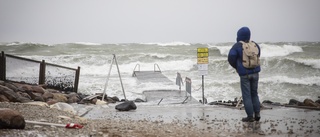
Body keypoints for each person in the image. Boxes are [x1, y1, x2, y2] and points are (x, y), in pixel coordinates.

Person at [228, 27, 261, 122]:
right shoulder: (255, 45)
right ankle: (257, 114)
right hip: (255, 73)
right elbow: (258, 56)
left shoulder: (237, 46)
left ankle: (250, 116)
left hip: (244, 74)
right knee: (254, 93)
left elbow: (231, 57)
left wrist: (237, 67)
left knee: (246, 95)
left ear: (239, 36)